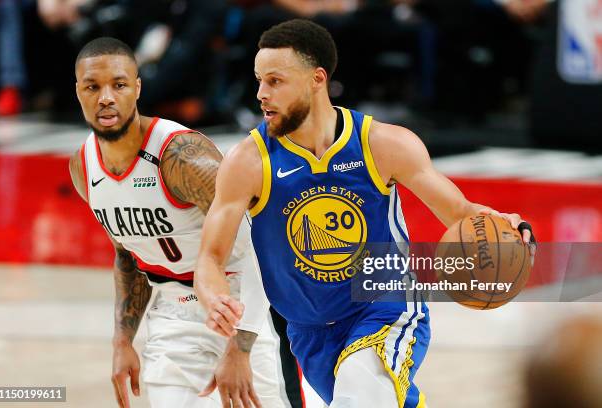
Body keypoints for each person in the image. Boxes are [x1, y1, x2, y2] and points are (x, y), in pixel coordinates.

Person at [195, 19, 535, 407]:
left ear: (316, 79)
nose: (261, 94)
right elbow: (210, 258)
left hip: (384, 304)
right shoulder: (247, 162)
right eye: (259, 81)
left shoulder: (383, 144)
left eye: (275, 81)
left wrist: (500, 221)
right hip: (309, 330)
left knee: (361, 395)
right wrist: (215, 299)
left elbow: (459, 211)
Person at [68, 37, 295, 408]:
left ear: (137, 88)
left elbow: (259, 248)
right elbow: (127, 255)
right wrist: (123, 340)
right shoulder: (83, 167)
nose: (105, 97)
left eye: (119, 85)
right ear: (78, 91)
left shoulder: (182, 158)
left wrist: (240, 348)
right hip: (171, 315)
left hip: (233, 306)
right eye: (93, 86)